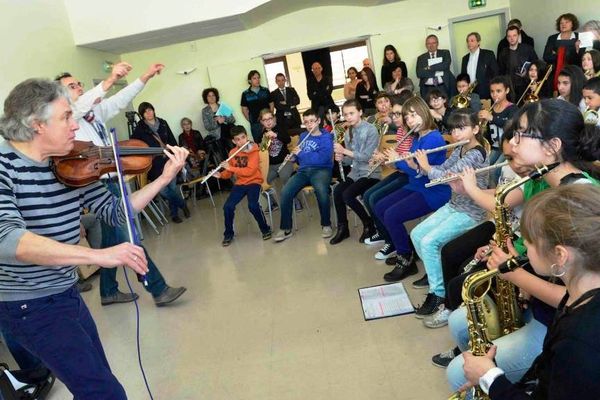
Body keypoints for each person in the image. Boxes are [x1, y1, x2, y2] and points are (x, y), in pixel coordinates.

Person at [0, 78, 187, 398]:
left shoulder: (70, 160)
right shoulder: (4, 165)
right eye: (66, 117)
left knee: (96, 383)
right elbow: (8, 240)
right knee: (104, 392)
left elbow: (115, 211)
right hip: (26, 303)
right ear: (36, 125)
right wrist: (100, 255)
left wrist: (165, 178)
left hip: (66, 292)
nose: (76, 126)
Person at [439, 99, 600, 389]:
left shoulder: (576, 201)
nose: (512, 143)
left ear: (552, 146)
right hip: (540, 300)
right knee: (459, 322)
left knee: (455, 373)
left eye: (521, 134)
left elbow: (580, 298)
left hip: (560, 320)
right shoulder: (547, 182)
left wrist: (514, 273)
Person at [58, 67, 187, 307]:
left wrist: (144, 78)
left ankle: (108, 291)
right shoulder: (70, 115)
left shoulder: (93, 112)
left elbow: (119, 100)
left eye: (79, 83)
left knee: (111, 238)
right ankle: (158, 289)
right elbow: (82, 104)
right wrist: (110, 79)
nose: (79, 88)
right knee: (130, 236)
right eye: (72, 86)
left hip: (109, 180)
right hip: (97, 184)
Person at [461, 184, 600, 399]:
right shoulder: (583, 292)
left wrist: (489, 377)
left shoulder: (579, 345)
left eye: (530, 241)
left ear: (560, 255)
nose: (524, 244)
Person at [409, 108, 489, 318]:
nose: (456, 134)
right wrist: (417, 166)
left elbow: (443, 176)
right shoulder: (459, 149)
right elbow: (443, 168)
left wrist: (426, 165)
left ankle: (438, 295)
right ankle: (436, 275)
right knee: (416, 234)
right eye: (453, 130)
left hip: (472, 212)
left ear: (475, 129)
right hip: (455, 205)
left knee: (429, 242)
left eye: (462, 128)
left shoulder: (476, 153)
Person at [372, 97, 450, 269]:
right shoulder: (417, 137)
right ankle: (406, 247)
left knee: (392, 215)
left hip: (433, 190)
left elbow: (417, 170)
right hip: (416, 185)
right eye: (407, 117)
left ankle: (405, 258)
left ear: (424, 112)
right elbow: (412, 168)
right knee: (380, 206)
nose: (410, 120)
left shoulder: (433, 138)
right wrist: (393, 159)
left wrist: (396, 160)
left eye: (413, 115)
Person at [274, 109, 334, 242]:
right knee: (285, 191)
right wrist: (293, 158)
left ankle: (326, 224)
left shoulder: (326, 137)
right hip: (304, 171)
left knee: (321, 191)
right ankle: (285, 228)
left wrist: (301, 154)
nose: (309, 125)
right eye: (306, 122)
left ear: (318, 121)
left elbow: (323, 158)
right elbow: (300, 157)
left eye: (312, 121)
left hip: (322, 170)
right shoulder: (303, 136)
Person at [363, 92, 414, 248]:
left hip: (409, 176)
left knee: (374, 199)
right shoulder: (400, 131)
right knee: (367, 195)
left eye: (399, 114)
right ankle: (384, 232)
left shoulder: (412, 133)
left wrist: (390, 160)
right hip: (401, 171)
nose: (395, 118)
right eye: (394, 115)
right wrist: (383, 158)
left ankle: (391, 241)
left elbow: (406, 163)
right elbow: (397, 159)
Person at [330, 100, 381, 245]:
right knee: (338, 191)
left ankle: (368, 224)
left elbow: (366, 157)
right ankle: (343, 228)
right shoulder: (348, 132)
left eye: (351, 113)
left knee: (348, 195)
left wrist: (344, 151)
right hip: (356, 173)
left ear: (360, 112)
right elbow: (350, 160)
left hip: (371, 173)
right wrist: (341, 157)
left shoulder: (371, 130)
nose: (348, 117)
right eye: (345, 114)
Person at [213, 126, 272, 246]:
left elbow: (250, 171)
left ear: (247, 137)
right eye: (238, 139)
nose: (241, 141)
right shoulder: (232, 152)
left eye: (243, 138)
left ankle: (265, 229)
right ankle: (228, 234)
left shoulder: (254, 150)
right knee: (228, 207)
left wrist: (230, 167)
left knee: (253, 205)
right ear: (234, 141)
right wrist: (220, 174)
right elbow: (229, 173)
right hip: (240, 184)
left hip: (254, 182)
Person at [133, 101, 189, 223]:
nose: (149, 113)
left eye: (150, 110)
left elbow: (172, 140)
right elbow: (136, 144)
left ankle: (174, 214)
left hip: (169, 159)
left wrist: (177, 156)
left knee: (172, 187)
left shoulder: (162, 123)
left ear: (153, 110)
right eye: (145, 111)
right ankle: (182, 204)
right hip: (154, 163)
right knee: (163, 190)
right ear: (142, 114)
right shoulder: (140, 127)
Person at [478, 75, 518, 165]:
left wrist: (492, 118)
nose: (494, 94)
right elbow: (488, 132)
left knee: (494, 171)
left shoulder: (512, 108)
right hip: (495, 147)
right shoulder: (491, 109)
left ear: (507, 91)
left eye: (498, 91)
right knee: (484, 167)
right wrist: (482, 124)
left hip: (508, 147)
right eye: (492, 91)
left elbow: (511, 127)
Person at [498, 26, 538, 100]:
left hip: (526, 85)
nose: (512, 38)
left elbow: (536, 66)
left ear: (519, 36)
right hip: (510, 88)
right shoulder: (503, 53)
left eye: (514, 35)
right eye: (509, 36)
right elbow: (501, 72)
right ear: (506, 38)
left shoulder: (528, 49)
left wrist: (528, 75)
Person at [543, 13, 580, 91]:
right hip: (554, 73)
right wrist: (562, 55)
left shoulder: (579, 37)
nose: (563, 24)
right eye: (561, 23)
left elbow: (581, 58)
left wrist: (557, 53)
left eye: (567, 22)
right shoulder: (552, 38)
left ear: (572, 24)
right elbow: (546, 57)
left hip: (573, 73)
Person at [201, 87, 236, 161]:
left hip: (228, 132)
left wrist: (224, 119)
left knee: (234, 152)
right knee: (223, 156)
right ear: (206, 98)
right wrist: (217, 122)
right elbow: (207, 127)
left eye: (213, 95)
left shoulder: (222, 107)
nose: (211, 97)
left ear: (216, 96)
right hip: (217, 136)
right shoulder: (205, 111)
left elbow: (233, 119)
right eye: (209, 96)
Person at [461, 32, 498, 100]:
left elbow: (495, 73)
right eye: (468, 41)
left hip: (486, 92)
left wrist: (494, 90)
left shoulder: (488, 54)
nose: (469, 43)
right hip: (470, 93)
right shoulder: (464, 58)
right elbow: (463, 77)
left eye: (472, 40)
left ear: (478, 42)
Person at [241, 70, 273, 143]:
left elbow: (271, 103)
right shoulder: (245, 94)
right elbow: (244, 109)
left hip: (268, 121)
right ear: (250, 80)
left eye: (258, 78)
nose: (257, 80)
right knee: (260, 144)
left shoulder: (265, 90)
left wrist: (271, 116)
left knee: (272, 141)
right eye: (254, 78)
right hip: (255, 123)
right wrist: (250, 119)